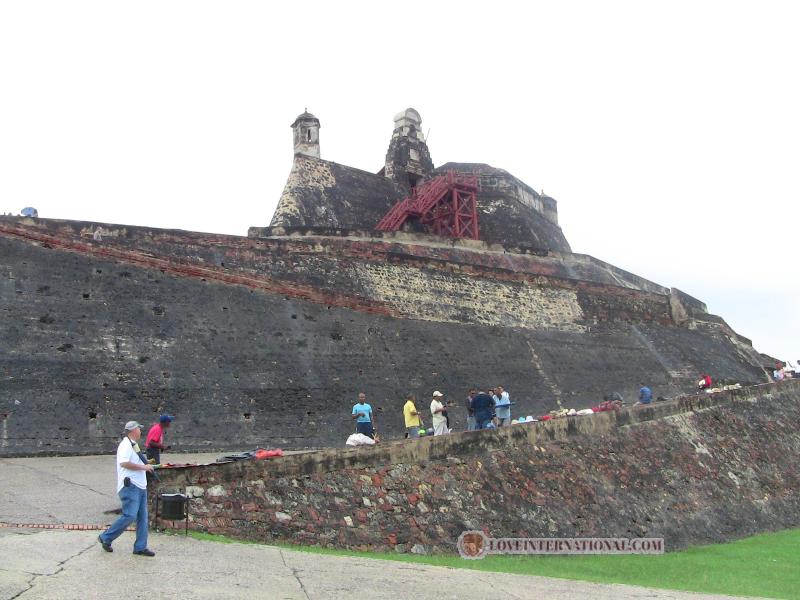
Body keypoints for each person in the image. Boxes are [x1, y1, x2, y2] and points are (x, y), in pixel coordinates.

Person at [98, 421, 156, 556]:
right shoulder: (125, 445)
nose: (141, 431)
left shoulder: (133, 445)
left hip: (140, 486)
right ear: (133, 431)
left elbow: (135, 461)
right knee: (130, 515)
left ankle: (140, 547)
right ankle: (106, 537)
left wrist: (147, 464)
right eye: (139, 429)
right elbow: (124, 463)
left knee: (142, 517)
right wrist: (144, 467)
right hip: (130, 486)